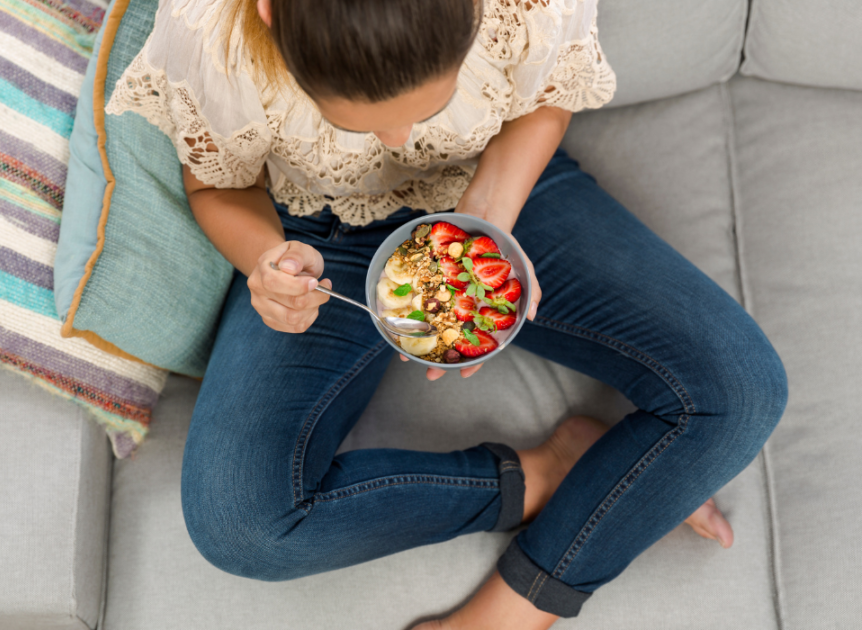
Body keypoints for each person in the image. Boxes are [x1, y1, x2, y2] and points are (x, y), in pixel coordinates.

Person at [107, 0, 788, 626]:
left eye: (430, 101)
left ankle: (508, 616)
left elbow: (546, 99)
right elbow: (217, 184)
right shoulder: (208, 32)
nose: (401, 137)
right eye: (361, 116)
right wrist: (267, 263)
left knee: (740, 388)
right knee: (241, 526)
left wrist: (487, 222)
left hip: (495, 180)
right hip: (321, 232)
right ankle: (552, 474)